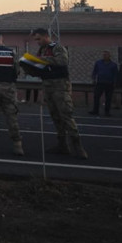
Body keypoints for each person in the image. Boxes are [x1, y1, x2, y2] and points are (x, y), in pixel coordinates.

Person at [27, 28, 87, 159]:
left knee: (66, 115)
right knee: (56, 117)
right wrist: (30, 67)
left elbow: (62, 61)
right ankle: (62, 145)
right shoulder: (42, 50)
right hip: (48, 86)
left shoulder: (57, 48)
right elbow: (42, 68)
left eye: (38, 39)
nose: (37, 42)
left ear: (46, 37)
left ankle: (78, 146)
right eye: (35, 39)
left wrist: (41, 60)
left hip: (60, 87)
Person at [89, 51, 118, 116]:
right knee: (96, 96)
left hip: (109, 83)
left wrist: (115, 82)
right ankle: (95, 110)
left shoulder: (113, 65)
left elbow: (115, 74)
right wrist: (93, 79)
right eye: (104, 55)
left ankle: (107, 112)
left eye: (106, 55)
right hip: (100, 82)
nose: (105, 56)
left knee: (108, 98)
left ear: (109, 56)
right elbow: (95, 71)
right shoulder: (98, 63)